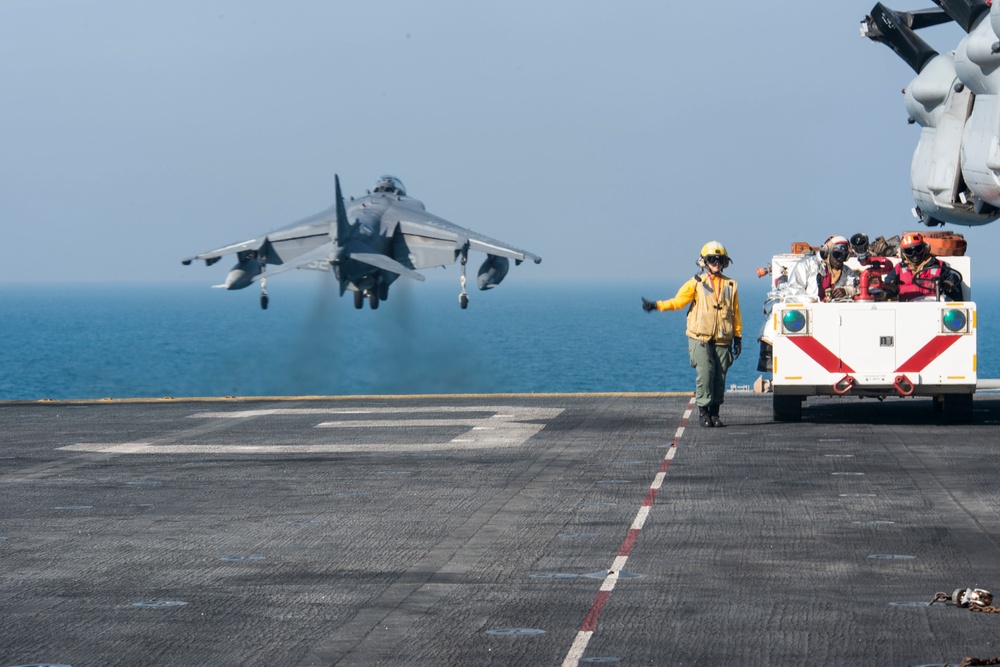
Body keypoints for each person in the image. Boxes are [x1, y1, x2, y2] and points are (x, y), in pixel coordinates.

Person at [642, 241, 742, 428]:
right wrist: (657, 305)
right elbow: (678, 302)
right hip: (699, 338)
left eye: (720, 260)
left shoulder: (731, 285)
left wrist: (738, 337)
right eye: (712, 259)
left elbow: (735, 313)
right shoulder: (696, 283)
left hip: (723, 338)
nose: (716, 263)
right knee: (705, 373)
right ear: (704, 261)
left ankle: (715, 413)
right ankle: (703, 412)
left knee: (720, 377)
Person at [883, 232, 964, 301]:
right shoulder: (898, 269)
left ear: (924, 248)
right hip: (907, 310)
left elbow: (952, 282)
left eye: (918, 249)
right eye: (909, 251)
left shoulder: (939, 266)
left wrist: (947, 285)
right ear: (904, 254)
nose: (914, 254)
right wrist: (891, 287)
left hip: (933, 308)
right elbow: (885, 287)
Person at [784, 235, 859, 302]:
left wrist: (846, 290)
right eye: (837, 254)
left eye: (844, 256)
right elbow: (794, 289)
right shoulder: (806, 265)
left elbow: (860, 287)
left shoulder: (846, 272)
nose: (840, 259)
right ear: (827, 253)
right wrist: (813, 303)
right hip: (809, 312)